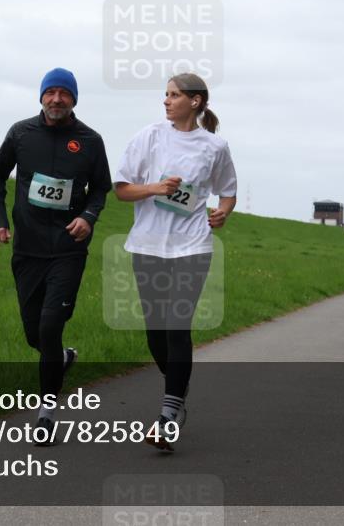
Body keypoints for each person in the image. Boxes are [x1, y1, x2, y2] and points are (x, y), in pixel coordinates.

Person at [0, 67, 112, 444]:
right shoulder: (21, 133)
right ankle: (61, 357)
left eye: (64, 93)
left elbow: (101, 189)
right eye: (50, 92)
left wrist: (88, 217)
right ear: (41, 97)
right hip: (27, 249)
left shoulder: (90, 140)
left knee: (50, 326)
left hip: (68, 251)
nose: (57, 99)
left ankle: (45, 414)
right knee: (33, 334)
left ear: (74, 99)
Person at [114, 73, 237, 452]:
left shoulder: (214, 146)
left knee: (176, 326)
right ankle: (177, 388)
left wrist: (222, 213)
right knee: (156, 334)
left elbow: (228, 191)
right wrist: (155, 187)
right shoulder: (149, 137)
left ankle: (167, 417)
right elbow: (121, 189)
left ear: (196, 101)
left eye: (174, 95)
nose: (166, 101)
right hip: (149, 246)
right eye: (165, 95)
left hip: (192, 247)